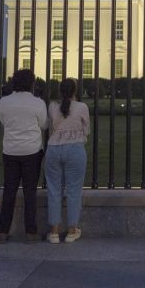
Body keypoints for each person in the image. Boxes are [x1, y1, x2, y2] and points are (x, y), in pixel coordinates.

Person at [0, 69, 49, 243]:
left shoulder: (4, 102)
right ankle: (30, 232)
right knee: (30, 192)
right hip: (32, 151)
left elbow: (3, 120)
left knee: (9, 191)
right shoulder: (38, 103)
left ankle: (2, 231)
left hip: (10, 150)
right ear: (32, 83)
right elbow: (44, 124)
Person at [44, 78, 90, 244]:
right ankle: (71, 230)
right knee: (74, 191)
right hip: (75, 150)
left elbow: (50, 126)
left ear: (60, 90)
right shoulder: (82, 107)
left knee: (54, 190)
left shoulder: (52, 106)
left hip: (53, 150)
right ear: (75, 91)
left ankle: (54, 232)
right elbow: (87, 130)